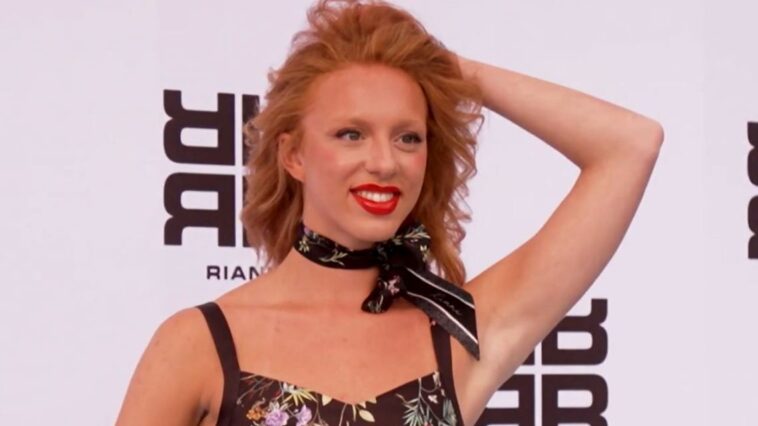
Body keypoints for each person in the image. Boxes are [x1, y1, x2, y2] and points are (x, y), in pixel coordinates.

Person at [116, 0, 664, 425]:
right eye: (350, 134)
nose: (384, 162)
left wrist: (446, 70)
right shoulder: (196, 343)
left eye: (407, 137)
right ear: (293, 155)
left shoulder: (456, 332)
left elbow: (630, 145)